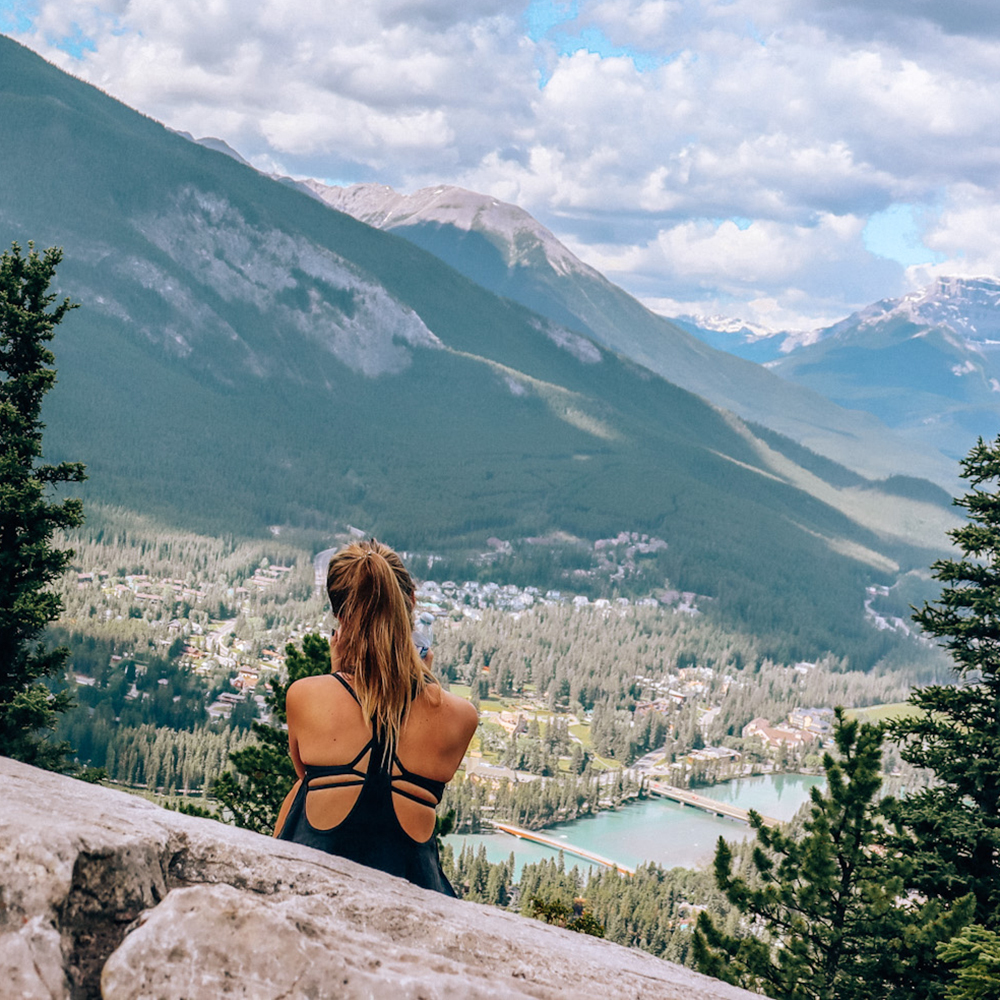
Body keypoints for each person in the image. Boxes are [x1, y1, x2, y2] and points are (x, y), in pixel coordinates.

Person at [273, 540, 478, 896]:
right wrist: (425, 680)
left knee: (300, 792)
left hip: (314, 890)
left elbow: (310, 780)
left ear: (340, 616)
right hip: (414, 893)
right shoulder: (461, 717)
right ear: (411, 602)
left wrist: (338, 672)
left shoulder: (304, 695)